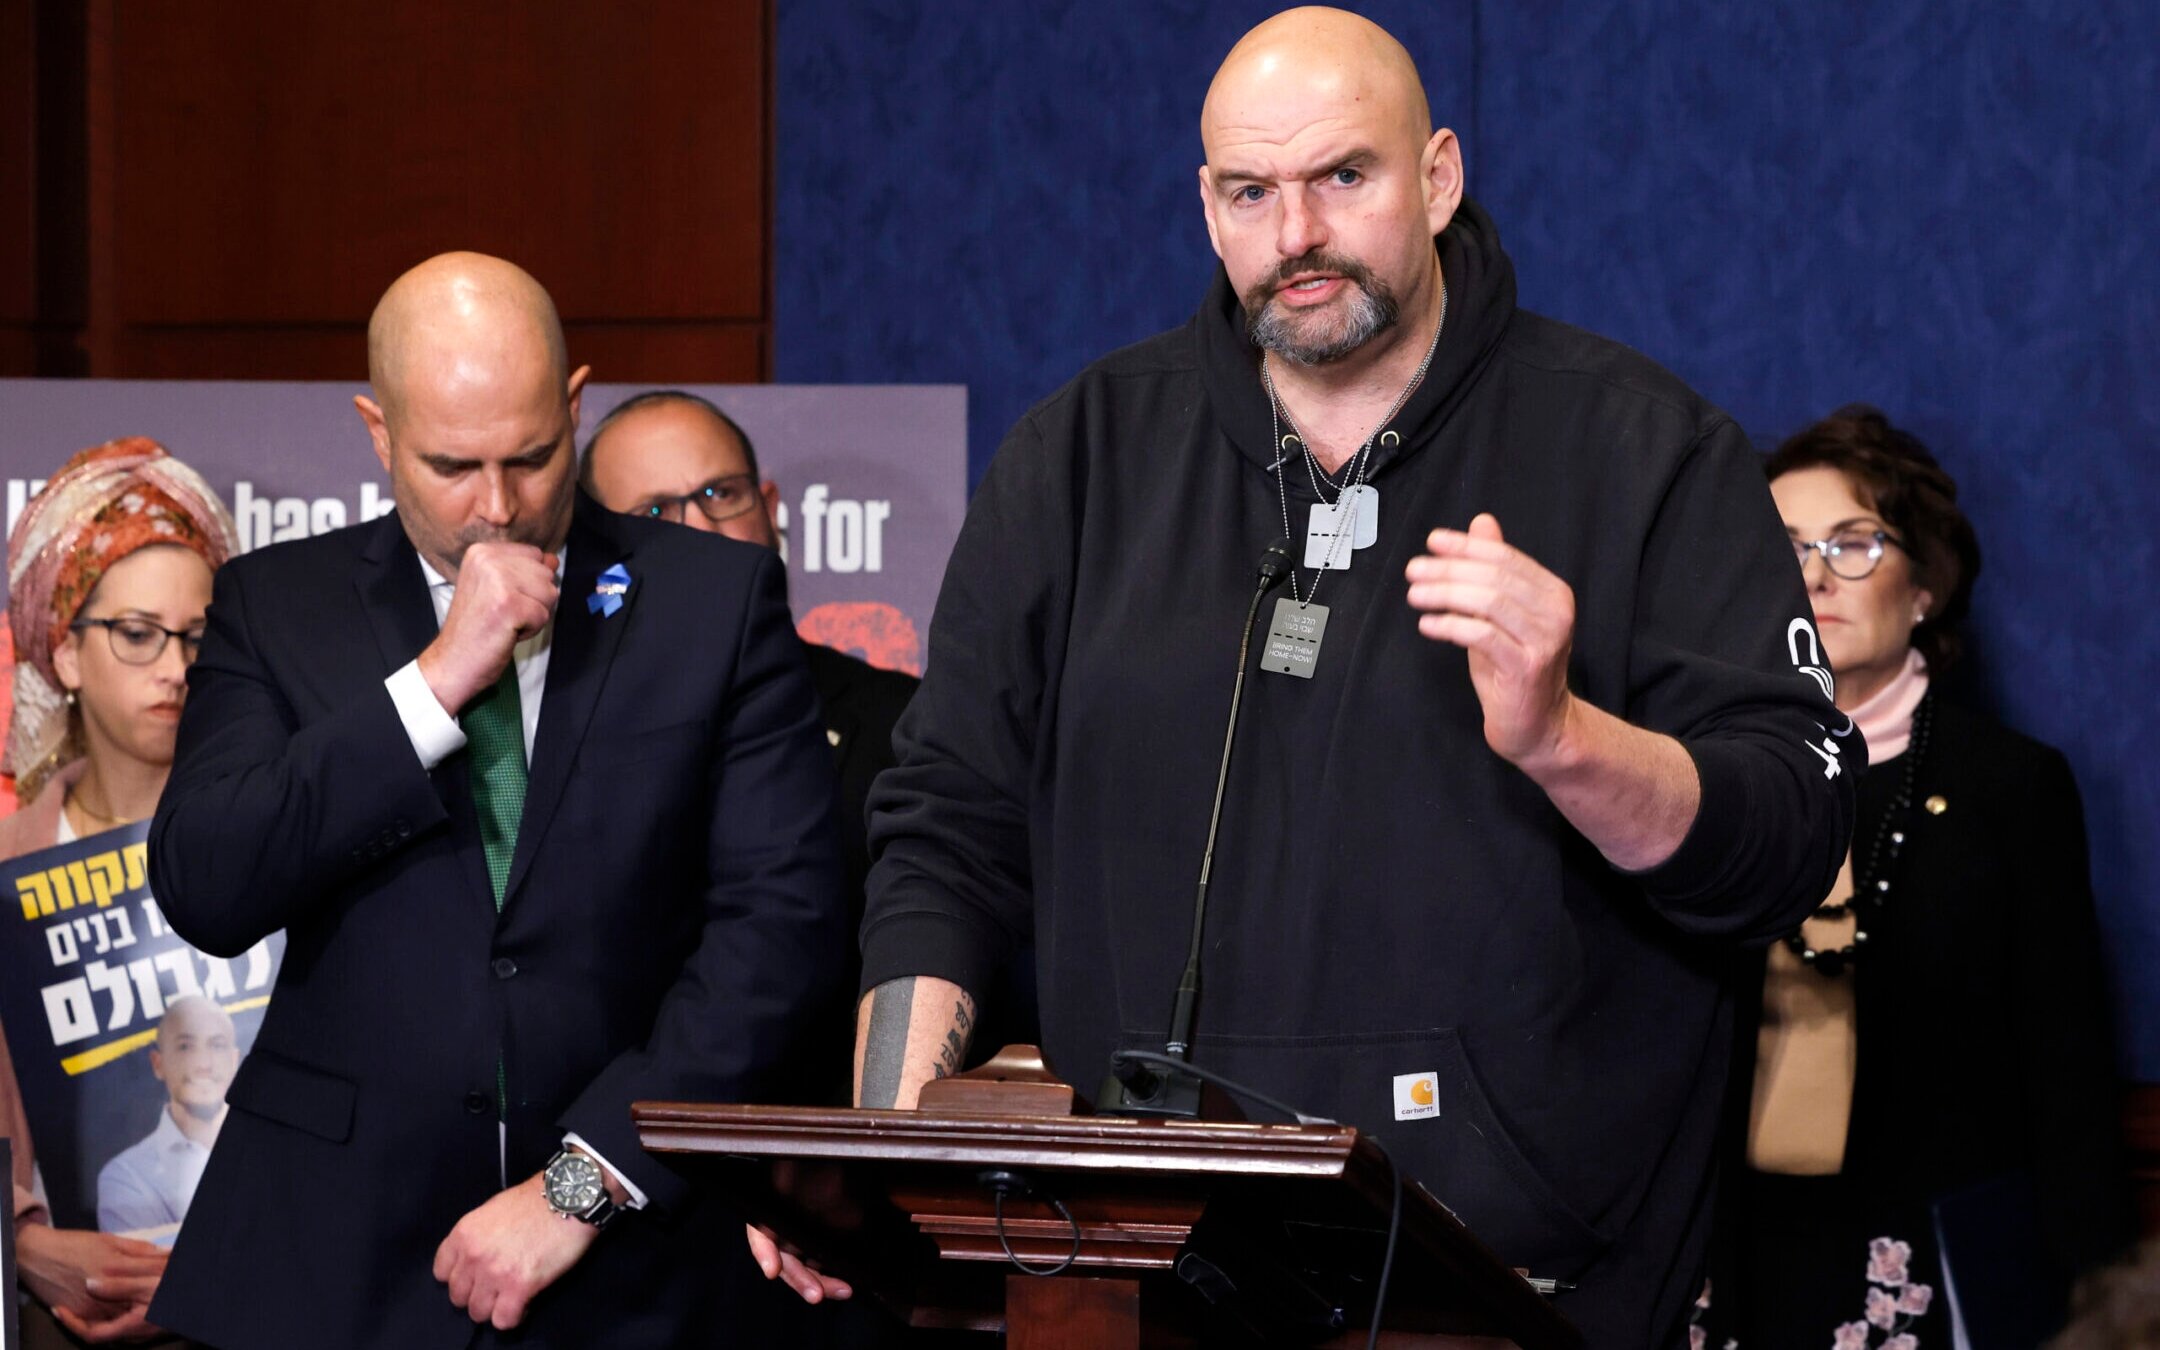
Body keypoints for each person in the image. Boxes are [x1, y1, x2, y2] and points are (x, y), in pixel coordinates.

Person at [758, 8, 1861, 1344]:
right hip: (1135, 1272)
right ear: (1207, 206)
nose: (1296, 237)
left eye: (1345, 176)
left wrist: (1565, 736)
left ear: (1440, 175)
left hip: (1525, 1287)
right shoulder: (1082, 457)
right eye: (1249, 192)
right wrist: (886, 1165)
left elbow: (1788, 832)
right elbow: (949, 827)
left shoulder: (1645, 447)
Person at [144, 253, 848, 1350]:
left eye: (533, 455)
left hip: (633, 1263)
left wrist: (587, 1182)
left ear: (576, 405)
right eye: (452, 465)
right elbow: (210, 884)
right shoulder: (275, 607)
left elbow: (781, 924)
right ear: (378, 435)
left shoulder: (712, 603)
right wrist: (436, 680)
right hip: (328, 1263)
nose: (499, 505)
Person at [1703, 407, 2131, 1348]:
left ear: (1926, 584)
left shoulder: (2011, 785)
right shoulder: (1695, 775)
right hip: (1730, 1255)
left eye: (1854, 543)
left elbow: (2067, 1060)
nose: (1814, 574)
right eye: (1785, 548)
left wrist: (2097, 1295)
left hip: (1933, 1253)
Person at [0, 436, 237, 1345]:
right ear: (64, 652)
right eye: (138, 635)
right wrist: (24, 1244)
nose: (176, 668)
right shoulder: (10, 869)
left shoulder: (284, 846)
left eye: (200, 635)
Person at [579, 391, 918, 913]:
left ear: (770, 510)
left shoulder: (902, 727)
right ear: (599, 549)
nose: (700, 530)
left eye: (720, 494)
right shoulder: (558, 734)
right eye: (654, 510)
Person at [96, 998, 237, 1242]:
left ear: (235, 1060)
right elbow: (150, 1273)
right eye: (185, 1047)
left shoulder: (280, 1145)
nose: (203, 1064)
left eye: (217, 1045)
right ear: (158, 1064)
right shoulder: (125, 1175)